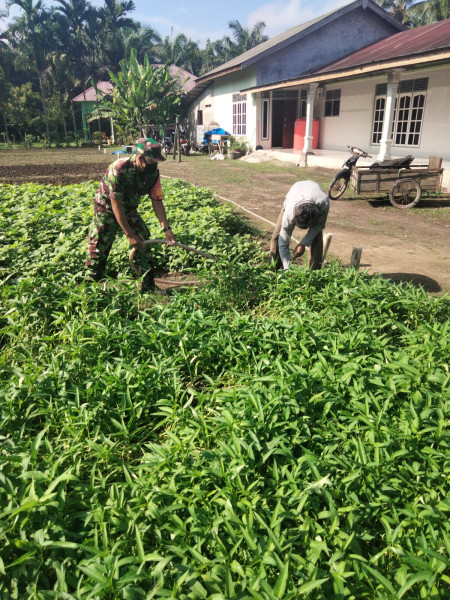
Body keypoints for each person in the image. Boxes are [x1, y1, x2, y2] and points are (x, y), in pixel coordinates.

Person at [85, 137, 176, 292]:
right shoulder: (119, 168)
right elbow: (115, 204)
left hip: (129, 209)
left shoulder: (153, 174)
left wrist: (166, 228)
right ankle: (90, 289)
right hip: (106, 208)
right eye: (151, 162)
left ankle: (148, 287)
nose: (154, 166)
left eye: (156, 162)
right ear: (140, 157)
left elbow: (157, 200)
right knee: (99, 246)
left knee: (144, 241)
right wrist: (129, 234)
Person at [269, 180, 329, 271]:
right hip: (295, 193)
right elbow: (283, 242)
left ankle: (314, 274)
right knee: (278, 236)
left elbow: (318, 226)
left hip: (314, 194)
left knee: (316, 238)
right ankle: (274, 270)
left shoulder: (323, 203)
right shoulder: (289, 212)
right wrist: (287, 268)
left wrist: (303, 243)